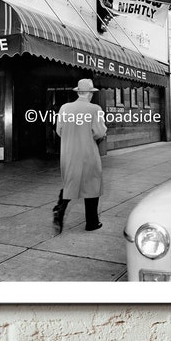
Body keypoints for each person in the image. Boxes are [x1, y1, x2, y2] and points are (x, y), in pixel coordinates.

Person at [53, 79, 107, 233]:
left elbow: (59, 131)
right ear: (90, 93)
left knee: (70, 181)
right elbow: (100, 132)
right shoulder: (94, 109)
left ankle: (59, 209)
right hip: (87, 152)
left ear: (78, 92)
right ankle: (92, 222)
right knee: (92, 184)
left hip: (69, 152)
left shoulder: (65, 108)